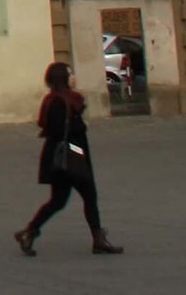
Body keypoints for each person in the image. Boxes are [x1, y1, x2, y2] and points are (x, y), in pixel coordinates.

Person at [15, 61, 124, 257]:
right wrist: (78, 147)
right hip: (70, 155)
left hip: (57, 156)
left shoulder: (55, 99)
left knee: (58, 200)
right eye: (70, 74)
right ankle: (98, 240)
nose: (73, 77)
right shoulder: (63, 101)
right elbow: (60, 132)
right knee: (89, 195)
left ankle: (29, 232)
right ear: (63, 78)